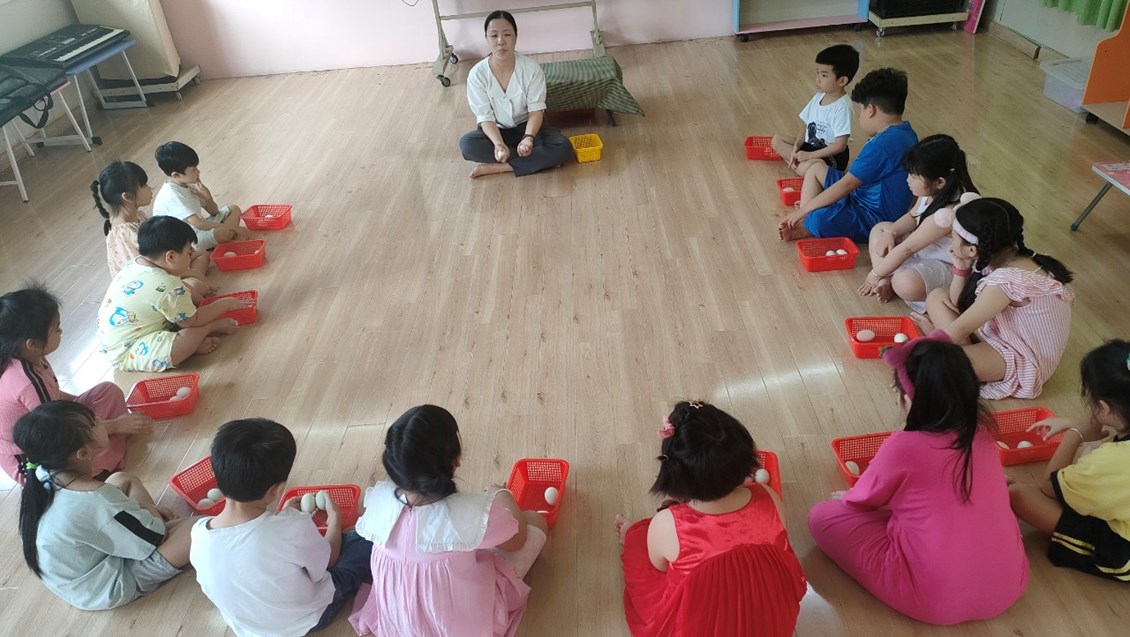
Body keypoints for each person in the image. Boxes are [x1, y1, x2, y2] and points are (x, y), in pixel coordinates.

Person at [808, 335, 1028, 625]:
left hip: (936, 600)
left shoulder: (903, 446)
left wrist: (847, 498)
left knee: (821, 516)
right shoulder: (982, 433)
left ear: (910, 399)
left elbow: (863, 499)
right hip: (1010, 585)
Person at [349, 405, 549, 637]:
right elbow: (517, 539)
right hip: (455, 624)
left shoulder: (377, 500)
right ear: (456, 460)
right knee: (535, 520)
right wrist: (502, 494)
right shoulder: (469, 512)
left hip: (399, 622)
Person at [616, 401, 806, 637]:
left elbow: (659, 567)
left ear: (675, 476)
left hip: (701, 626)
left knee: (638, 541)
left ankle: (628, 534)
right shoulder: (768, 496)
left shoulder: (670, 524)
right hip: (769, 622)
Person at [190, 418, 374, 635]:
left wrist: (282, 518)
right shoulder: (293, 527)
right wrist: (335, 520)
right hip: (309, 619)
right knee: (364, 538)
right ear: (276, 489)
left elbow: (250, 551)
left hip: (251, 628)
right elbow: (329, 561)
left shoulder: (199, 532)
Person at [14, 401, 193, 610]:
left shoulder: (43, 473)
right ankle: (147, 524)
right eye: (94, 423)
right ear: (82, 454)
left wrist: (147, 514)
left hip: (81, 572)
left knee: (122, 479)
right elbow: (157, 537)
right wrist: (151, 513)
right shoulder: (96, 499)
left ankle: (144, 524)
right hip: (106, 586)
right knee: (198, 527)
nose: (100, 420)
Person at [917, 198, 1074, 399]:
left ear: (972, 249)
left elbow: (960, 328)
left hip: (1022, 359)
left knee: (938, 363)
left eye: (953, 238)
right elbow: (959, 304)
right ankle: (967, 357)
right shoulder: (1012, 257)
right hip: (1007, 335)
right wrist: (961, 268)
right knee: (937, 296)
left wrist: (929, 341)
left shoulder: (1005, 281)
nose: (951, 244)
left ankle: (966, 362)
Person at [1, 284, 151, 483]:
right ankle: (103, 462)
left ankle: (109, 446)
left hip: (54, 426)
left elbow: (55, 397)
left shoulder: (30, 356)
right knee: (87, 448)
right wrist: (114, 425)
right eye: (57, 329)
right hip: (37, 458)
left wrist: (87, 412)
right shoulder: (28, 382)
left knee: (108, 391)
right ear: (33, 344)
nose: (61, 331)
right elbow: (57, 432)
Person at [1009, 339, 1130, 582]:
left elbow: (1048, 486)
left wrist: (1074, 434)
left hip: (1122, 552)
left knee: (1018, 495)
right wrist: (1074, 423)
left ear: (1104, 408)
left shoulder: (1111, 461)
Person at [778, 68, 918, 242]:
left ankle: (807, 222)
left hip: (873, 215)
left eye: (860, 110)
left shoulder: (883, 145)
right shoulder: (905, 132)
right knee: (815, 168)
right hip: (860, 194)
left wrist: (804, 210)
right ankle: (807, 218)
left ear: (871, 110)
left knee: (818, 219)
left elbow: (846, 185)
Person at [97, 216, 246, 372]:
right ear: (171, 257)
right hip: (128, 350)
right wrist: (225, 304)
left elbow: (181, 288)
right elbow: (192, 320)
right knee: (183, 339)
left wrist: (202, 301)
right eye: (189, 252)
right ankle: (208, 329)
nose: (192, 254)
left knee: (193, 289)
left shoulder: (138, 263)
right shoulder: (166, 285)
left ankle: (193, 342)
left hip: (128, 332)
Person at [857, 134, 979, 312]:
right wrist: (891, 233)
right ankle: (887, 278)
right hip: (922, 250)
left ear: (939, 182)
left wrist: (874, 275)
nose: (908, 180)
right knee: (880, 229)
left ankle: (889, 278)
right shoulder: (934, 191)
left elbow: (908, 248)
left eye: (914, 176)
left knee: (905, 283)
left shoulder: (948, 213)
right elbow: (912, 216)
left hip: (945, 264)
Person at [458, 10, 574, 179]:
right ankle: (537, 160)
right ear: (486, 38)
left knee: (562, 147)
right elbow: (485, 117)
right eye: (494, 35)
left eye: (507, 34)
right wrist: (498, 145)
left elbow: (536, 112)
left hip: (528, 128)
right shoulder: (477, 75)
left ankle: (500, 167)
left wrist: (528, 138)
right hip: (496, 131)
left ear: (515, 37)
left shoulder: (531, 69)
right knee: (467, 145)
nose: (500, 41)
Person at [92, 160, 215, 303]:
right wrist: (191, 274)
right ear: (128, 196)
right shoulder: (125, 234)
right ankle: (191, 285)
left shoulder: (138, 216)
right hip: (149, 289)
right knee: (195, 285)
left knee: (201, 254)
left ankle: (191, 281)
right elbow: (150, 274)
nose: (150, 188)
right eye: (144, 185)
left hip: (163, 269)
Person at [771, 44, 859, 175]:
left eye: (824, 75)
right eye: (817, 73)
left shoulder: (843, 107)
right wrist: (796, 147)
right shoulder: (818, 97)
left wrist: (809, 156)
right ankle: (801, 166)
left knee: (814, 167)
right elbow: (806, 126)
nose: (818, 79)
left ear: (842, 81)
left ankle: (805, 168)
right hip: (811, 147)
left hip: (831, 158)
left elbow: (840, 146)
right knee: (776, 140)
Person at [151, 141, 249, 250]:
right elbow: (199, 224)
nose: (198, 172)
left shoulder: (189, 184)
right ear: (176, 175)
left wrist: (208, 197)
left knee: (234, 209)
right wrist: (231, 228)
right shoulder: (172, 195)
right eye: (193, 170)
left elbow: (214, 212)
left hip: (198, 229)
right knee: (222, 232)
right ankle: (217, 242)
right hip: (185, 242)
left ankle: (219, 243)